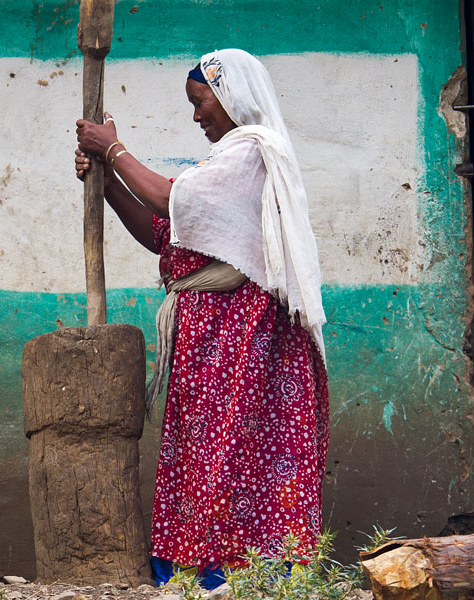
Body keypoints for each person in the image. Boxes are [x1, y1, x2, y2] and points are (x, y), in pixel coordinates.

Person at [75, 49, 329, 588]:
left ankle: (250, 577)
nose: (196, 116)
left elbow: (169, 198)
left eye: (200, 102)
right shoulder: (223, 163)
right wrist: (106, 182)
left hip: (243, 340)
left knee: (237, 455)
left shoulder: (252, 153)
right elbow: (163, 233)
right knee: (206, 455)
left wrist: (112, 149)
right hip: (212, 344)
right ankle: (201, 575)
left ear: (230, 95)